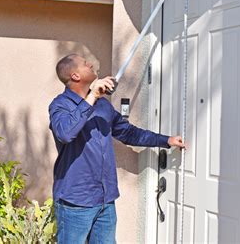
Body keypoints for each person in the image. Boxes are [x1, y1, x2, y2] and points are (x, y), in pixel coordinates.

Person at [48, 54, 184, 244]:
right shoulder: (60, 105)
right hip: (75, 201)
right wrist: (92, 96)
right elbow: (65, 133)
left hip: (105, 199)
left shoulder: (103, 105)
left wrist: (166, 140)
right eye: (85, 64)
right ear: (75, 76)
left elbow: (128, 133)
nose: (91, 64)